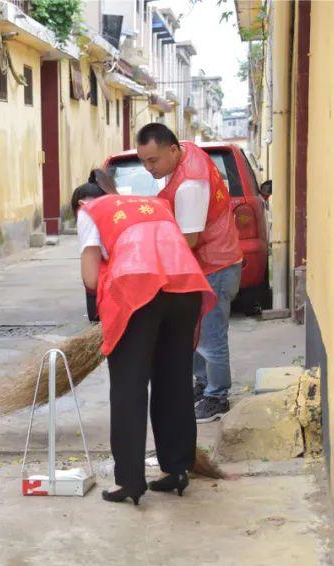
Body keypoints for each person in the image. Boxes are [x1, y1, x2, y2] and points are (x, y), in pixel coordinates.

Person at [74, 177, 216, 505]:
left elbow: (91, 278)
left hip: (138, 292)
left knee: (129, 387)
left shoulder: (89, 212)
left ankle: (131, 481)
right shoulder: (153, 204)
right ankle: (177, 470)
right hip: (184, 287)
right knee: (174, 382)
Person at [136, 124, 244, 422]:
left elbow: (189, 240)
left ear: (172, 150)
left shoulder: (190, 186)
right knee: (196, 331)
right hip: (205, 264)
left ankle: (217, 396)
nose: (148, 168)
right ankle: (203, 386)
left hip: (216, 265)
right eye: (143, 160)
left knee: (211, 336)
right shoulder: (184, 151)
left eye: (153, 161)